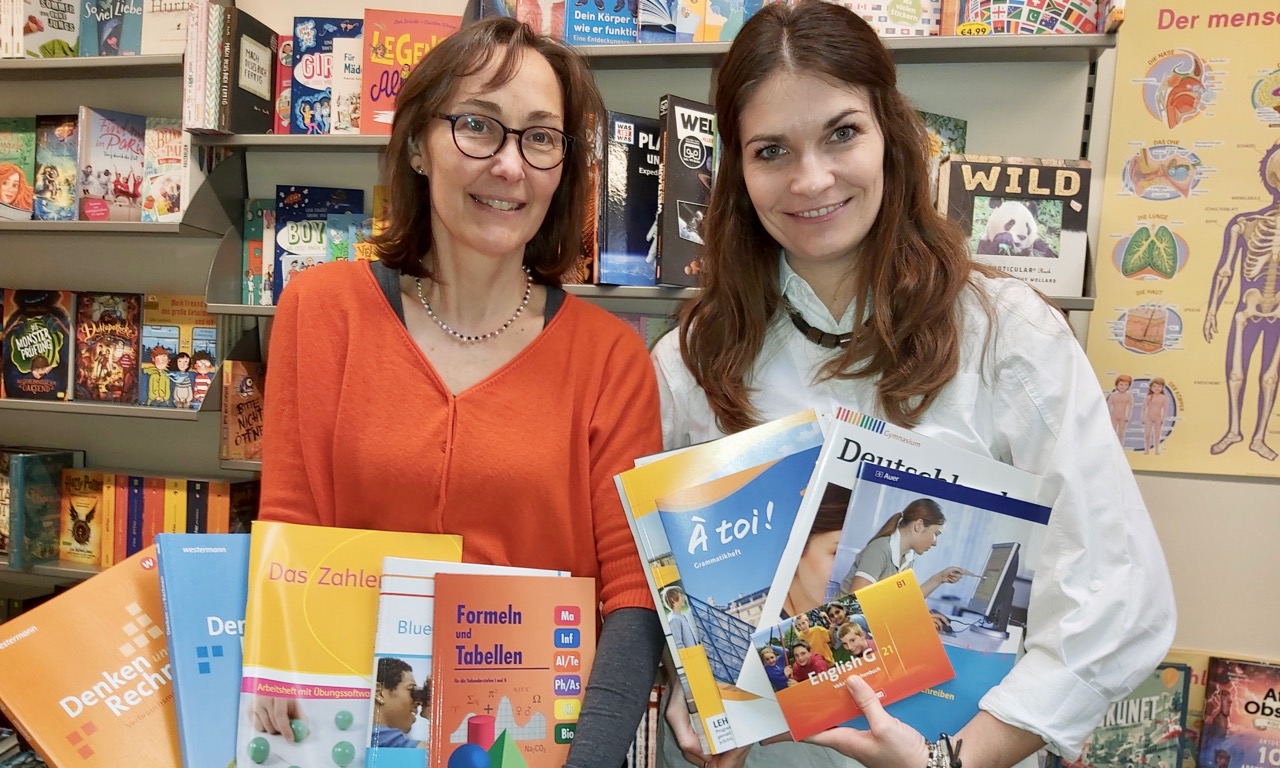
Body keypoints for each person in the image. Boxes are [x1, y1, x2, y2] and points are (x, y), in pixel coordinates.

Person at [650, 3, 1176, 767]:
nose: (811, 178)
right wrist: (689, 688)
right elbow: (668, 588)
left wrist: (949, 761)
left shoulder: (1006, 335)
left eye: (842, 133)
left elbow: (1118, 599)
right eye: (771, 150)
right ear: (738, 171)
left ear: (891, 135)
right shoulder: (691, 359)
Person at [256, 18, 664, 768]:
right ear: (418, 144)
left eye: (540, 137)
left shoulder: (612, 358)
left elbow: (634, 599)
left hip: (532, 747)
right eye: (477, 125)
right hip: (346, 737)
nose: (509, 165)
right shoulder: (322, 312)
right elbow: (291, 537)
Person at [838, 498, 970, 598]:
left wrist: (940, 577)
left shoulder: (907, 557)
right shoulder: (880, 549)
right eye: (936, 534)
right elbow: (857, 602)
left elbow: (904, 601)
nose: (935, 543)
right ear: (919, 525)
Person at [371, 657, 423, 749]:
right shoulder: (377, 738)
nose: (419, 702)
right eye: (411, 690)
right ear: (379, 693)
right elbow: (440, 753)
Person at [1142, 377, 1170, 455]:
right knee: (1147, 434)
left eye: (1159, 386)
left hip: (1158, 418)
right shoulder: (1148, 397)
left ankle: (1156, 449)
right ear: (1151, 387)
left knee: (1157, 435)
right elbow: (1144, 408)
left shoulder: (1164, 397)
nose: (1157, 388)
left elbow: (1165, 409)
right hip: (1148, 417)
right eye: (1154, 386)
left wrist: (1163, 418)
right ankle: (1147, 449)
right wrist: (1143, 418)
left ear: (1163, 387)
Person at [1108, 374, 1134, 442]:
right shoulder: (1113, 396)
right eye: (1121, 384)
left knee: (1121, 432)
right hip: (1113, 416)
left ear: (1128, 386)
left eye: (1126, 385)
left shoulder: (1129, 396)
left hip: (1123, 417)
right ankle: (1112, 444)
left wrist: (1128, 416)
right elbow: (1108, 406)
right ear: (1117, 385)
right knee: (1112, 431)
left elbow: (1130, 407)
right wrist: (1108, 416)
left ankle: (1120, 445)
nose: (1123, 386)